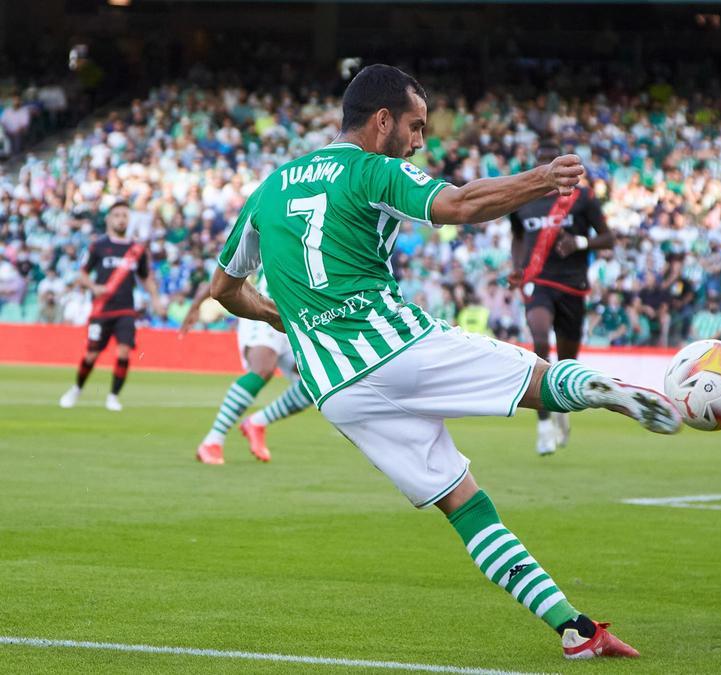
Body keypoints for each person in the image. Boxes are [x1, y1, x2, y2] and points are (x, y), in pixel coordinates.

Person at [208, 64, 680, 660]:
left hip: (337, 392)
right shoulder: (373, 169)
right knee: (536, 378)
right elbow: (457, 204)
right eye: (415, 126)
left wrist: (281, 316)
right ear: (383, 122)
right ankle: (609, 390)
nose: (419, 142)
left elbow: (224, 288)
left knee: (463, 503)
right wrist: (542, 179)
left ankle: (577, 631)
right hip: (393, 346)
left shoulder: (269, 188)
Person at [509, 142, 613, 455]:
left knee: (567, 363)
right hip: (538, 282)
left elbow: (609, 238)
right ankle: (543, 425)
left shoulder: (582, 199)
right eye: (540, 165)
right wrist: (517, 267)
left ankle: (561, 412)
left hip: (573, 286)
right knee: (539, 340)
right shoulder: (523, 202)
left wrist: (580, 242)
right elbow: (517, 235)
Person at [181, 276, 313, 465]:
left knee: (315, 381)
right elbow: (227, 269)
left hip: (296, 316)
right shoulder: (264, 245)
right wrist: (195, 305)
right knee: (263, 368)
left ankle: (257, 422)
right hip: (263, 309)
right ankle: (212, 441)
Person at [59, 201, 161, 412]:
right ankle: (77, 389)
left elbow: (146, 278)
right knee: (91, 355)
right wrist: (94, 287)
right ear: (109, 219)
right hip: (102, 310)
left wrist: (156, 298)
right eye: (117, 215)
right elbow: (83, 273)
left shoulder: (137, 250)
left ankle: (113, 396)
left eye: (125, 215)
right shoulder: (98, 246)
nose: (121, 219)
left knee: (124, 352)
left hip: (126, 310)